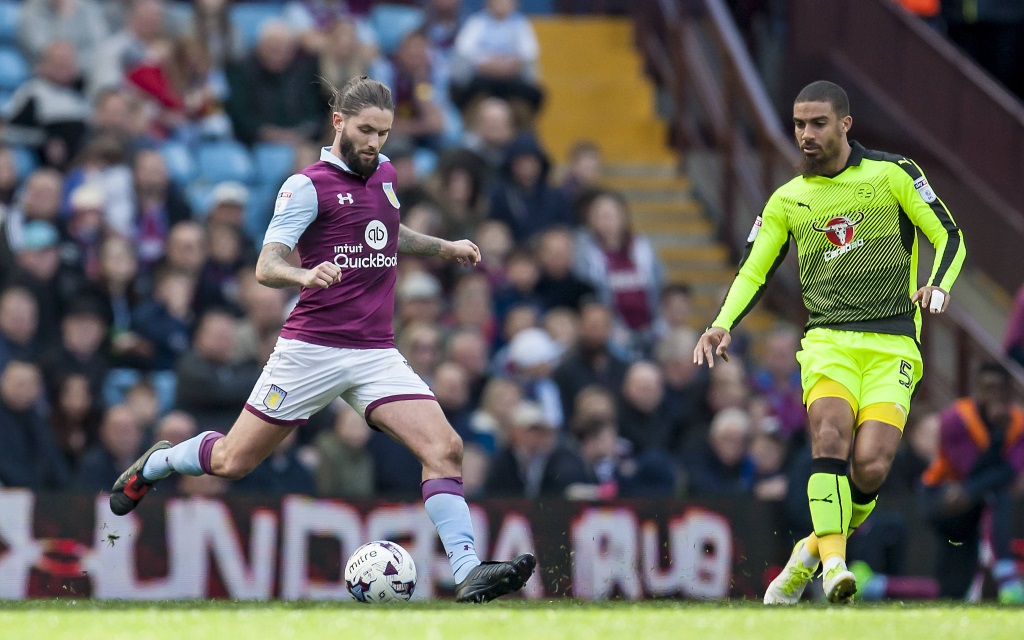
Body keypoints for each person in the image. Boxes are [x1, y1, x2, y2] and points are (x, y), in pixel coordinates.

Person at [107, 76, 534, 603]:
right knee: (232, 462)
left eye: (383, 132)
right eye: (365, 130)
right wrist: (303, 277)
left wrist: (443, 247)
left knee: (445, 447)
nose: (375, 142)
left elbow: (384, 230)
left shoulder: (386, 176)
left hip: (375, 351)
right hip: (310, 350)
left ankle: (468, 569)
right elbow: (266, 265)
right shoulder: (305, 186)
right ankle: (157, 463)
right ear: (339, 123)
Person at [693, 81, 966, 604]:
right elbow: (754, 269)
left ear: (845, 124)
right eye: (798, 124)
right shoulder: (788, 199)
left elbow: (949, 235)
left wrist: (939, 284)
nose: (805, 134)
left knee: (872, 466)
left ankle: (807, 555)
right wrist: (723, 321)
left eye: (817, 123)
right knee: (830, 437)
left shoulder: (893, 175)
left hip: (893, 344)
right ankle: (836, 565)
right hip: (828, 340)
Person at [920, 362, 1024, 602]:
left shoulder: (1018, 422)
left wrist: (999, 432)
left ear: (1009, 393)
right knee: (995, 492)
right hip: (941, 495)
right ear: (977, 389)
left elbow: (1010, 471)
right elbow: (970, 469)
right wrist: (997, 437)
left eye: (1000, 389)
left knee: (954, 585)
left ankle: (994, 579)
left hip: (976, 499)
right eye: (988, 387)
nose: (994, 395)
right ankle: (1006, 575)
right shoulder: (955, 418)